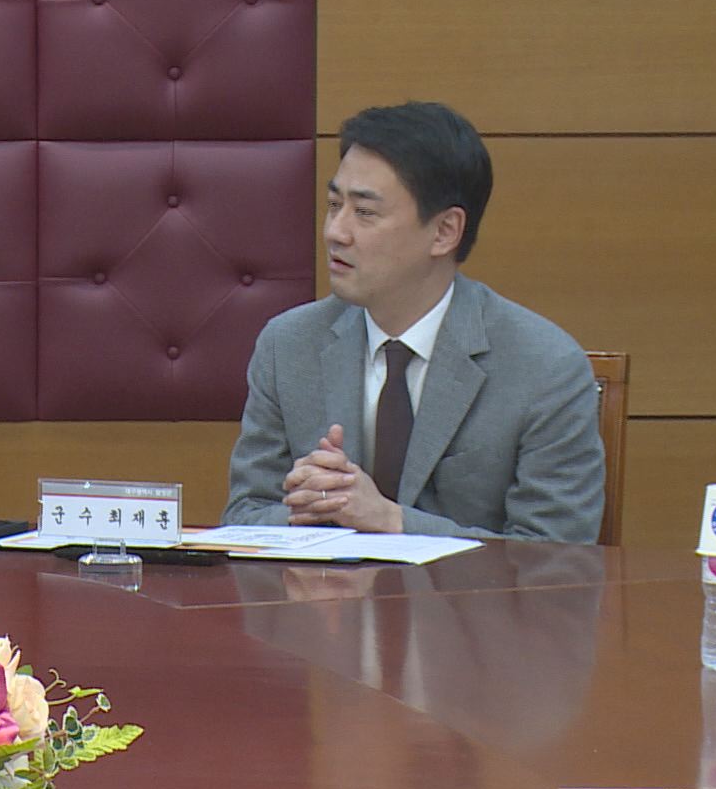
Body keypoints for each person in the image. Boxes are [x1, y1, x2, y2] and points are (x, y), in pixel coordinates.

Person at [221, 101, 603, 542]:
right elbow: (243, 516)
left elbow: (556, 557)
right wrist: (310, 509)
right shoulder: (289, 345)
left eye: (365, 213)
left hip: (466, 593)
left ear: (444, 231)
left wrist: (394, 522)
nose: (335, 232)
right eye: (334, 204)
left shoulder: (545, 369)